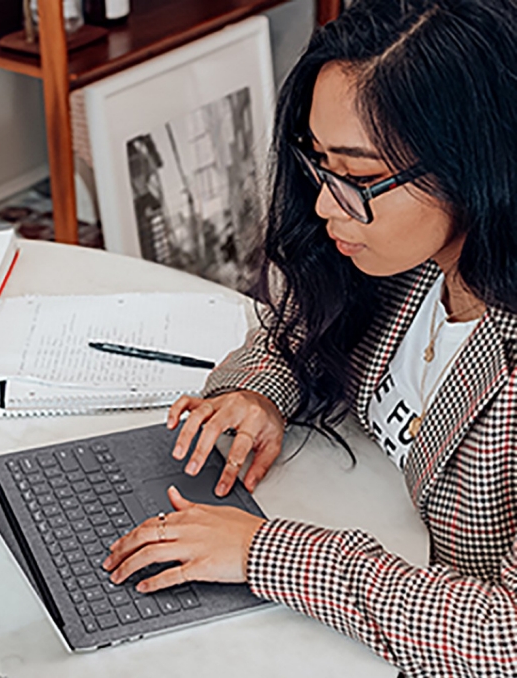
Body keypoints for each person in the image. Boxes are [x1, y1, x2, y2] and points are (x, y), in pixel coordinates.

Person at [103, 0, 517, 674]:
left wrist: (263, 552)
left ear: (479, 163)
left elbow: (504, 637)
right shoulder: (407, 259)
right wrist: (257, 395)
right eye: (319, 163)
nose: (325, 204)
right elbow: (303, 322)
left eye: (356, 177)